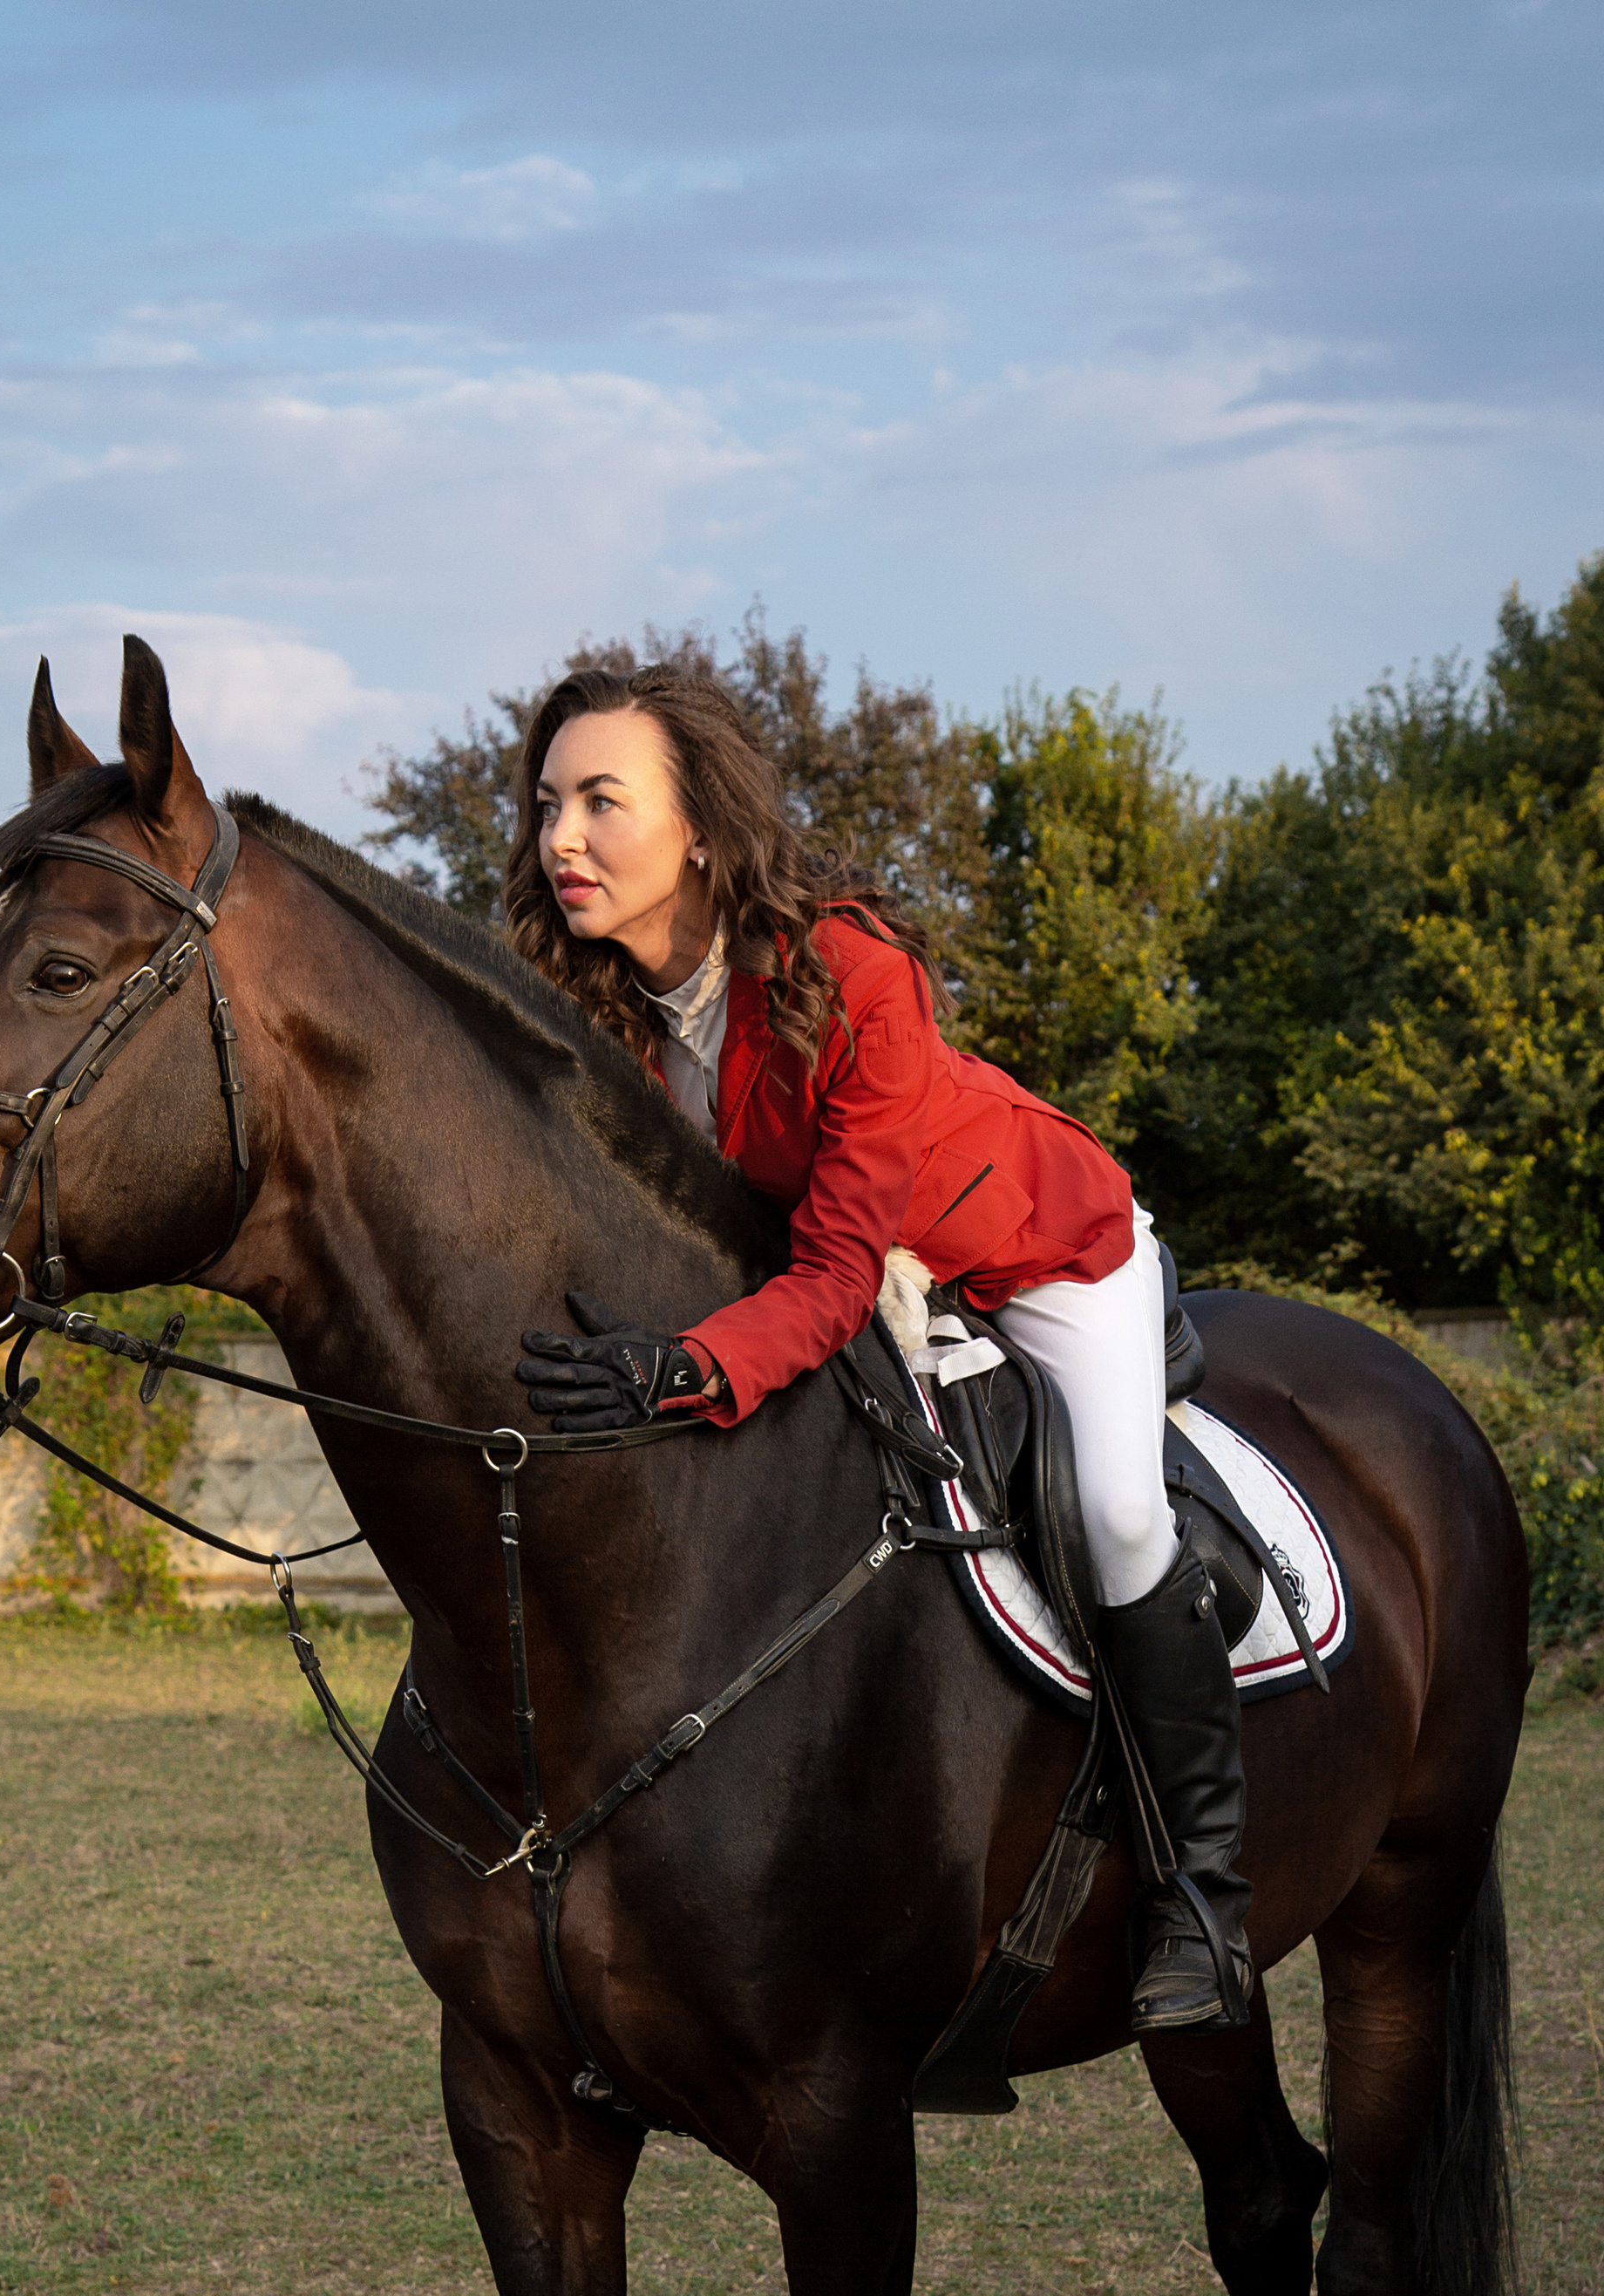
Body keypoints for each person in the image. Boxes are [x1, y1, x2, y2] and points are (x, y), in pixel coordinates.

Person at [509, 662, 1249, 2034]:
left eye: (601, 801)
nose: (560, 837)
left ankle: (1202, 1898)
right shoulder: (599, 1005)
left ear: (705, 830)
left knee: (1119, 1511)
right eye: (549, 801)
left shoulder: (852, 972)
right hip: (870, 1284)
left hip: (1042, 1257)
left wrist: (686, 1368)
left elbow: (837, 1272)